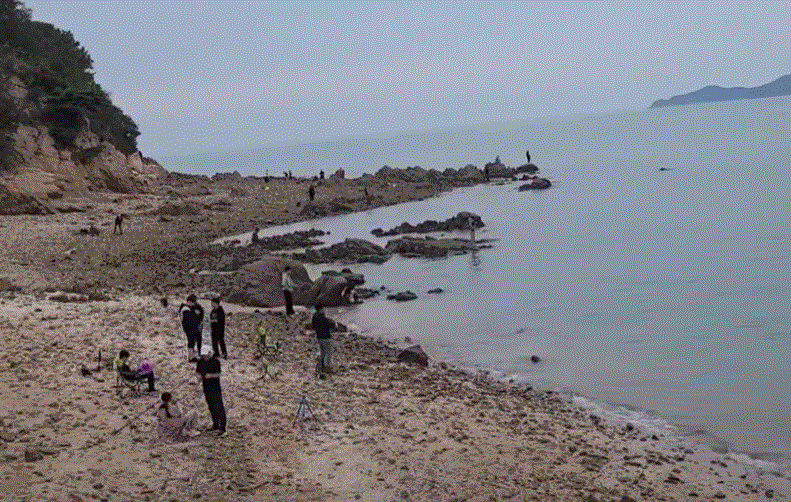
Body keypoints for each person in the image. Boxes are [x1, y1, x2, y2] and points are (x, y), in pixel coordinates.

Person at [196, 346, 226, 436]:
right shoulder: (200, 361)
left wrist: (210, 376)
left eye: (206, 355)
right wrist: (199, 377)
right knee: (211, 406)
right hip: (206, 387)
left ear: (210, 353)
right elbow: (197, 372)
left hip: (215, 388)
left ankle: (222, 428)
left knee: (219, 407)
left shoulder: (215, 362)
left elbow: (218, 374)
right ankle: (215, 424)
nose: (205, 357)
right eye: (204, 355)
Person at [312, 304, 337, 378]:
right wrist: (334, 323)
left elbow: (314, 326)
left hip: (319, 336)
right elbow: (329, 324)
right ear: (320, 309)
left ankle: (322, 365)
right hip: (325, 337)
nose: (324, 310)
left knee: (323, 352)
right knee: (329, 352)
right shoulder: (322, 317)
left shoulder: (314, 317)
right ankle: (327, 366)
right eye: (323, 309)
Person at [180, 294, 204, 362]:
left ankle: (191, 356)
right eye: (193, 302)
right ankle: (191, 357)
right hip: (189, 328)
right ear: (190, 301)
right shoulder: (185, 309)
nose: (194, 304)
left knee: (192, 342)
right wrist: (196, 314)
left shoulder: (186, 308)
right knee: (191, 342)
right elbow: (191, 319)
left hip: (190, 328)